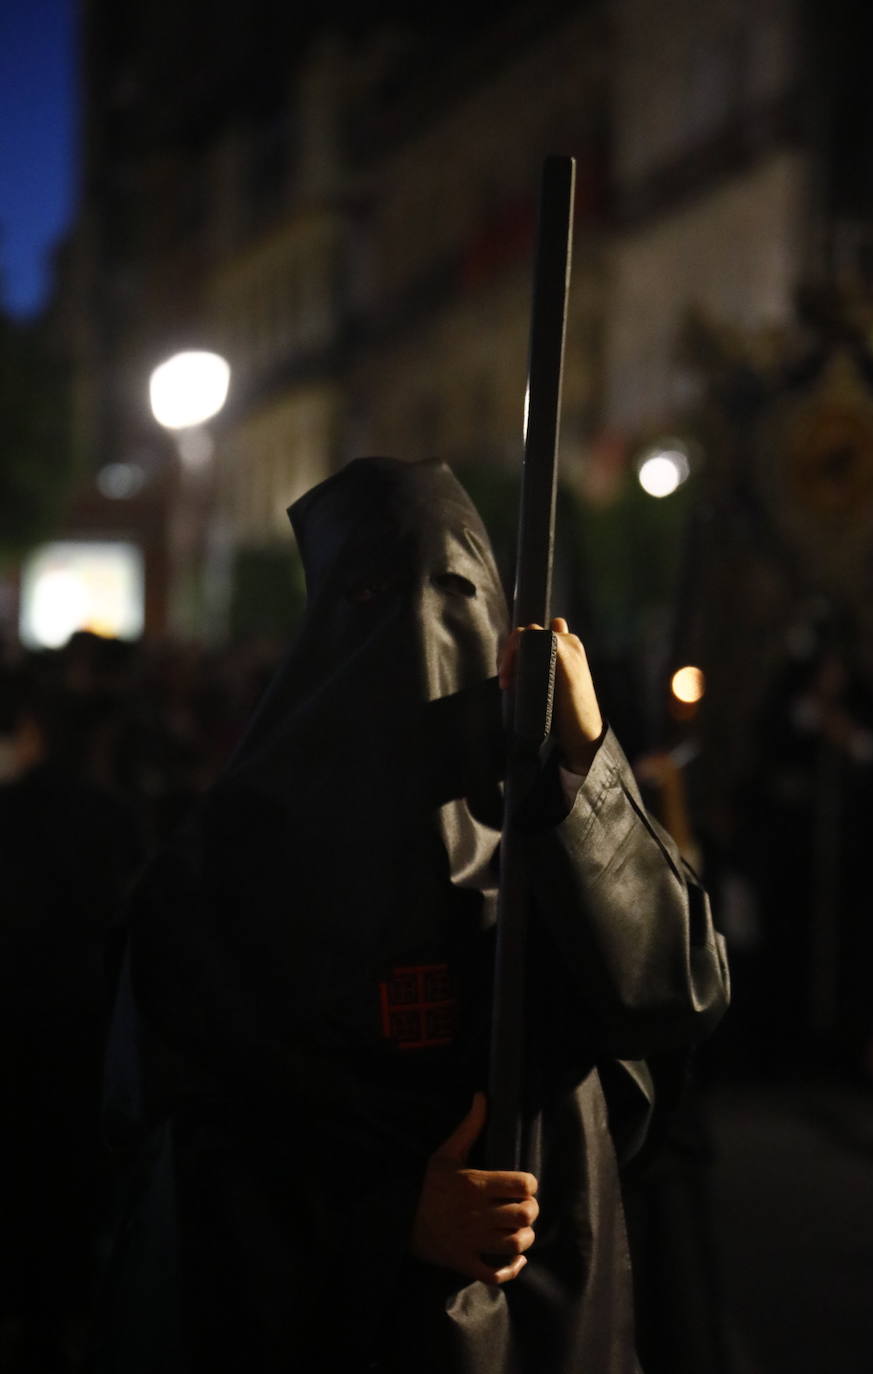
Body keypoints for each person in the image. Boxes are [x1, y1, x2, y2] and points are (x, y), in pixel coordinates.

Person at [103, 457, 728, 1373]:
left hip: (546, 1322)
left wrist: (586, 762)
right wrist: (384, 1211)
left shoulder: (544, 823)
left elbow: (675, 993)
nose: (415, 628)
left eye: (454, 588)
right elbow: (164, 1142)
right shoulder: (225, 863)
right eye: (370, 592)